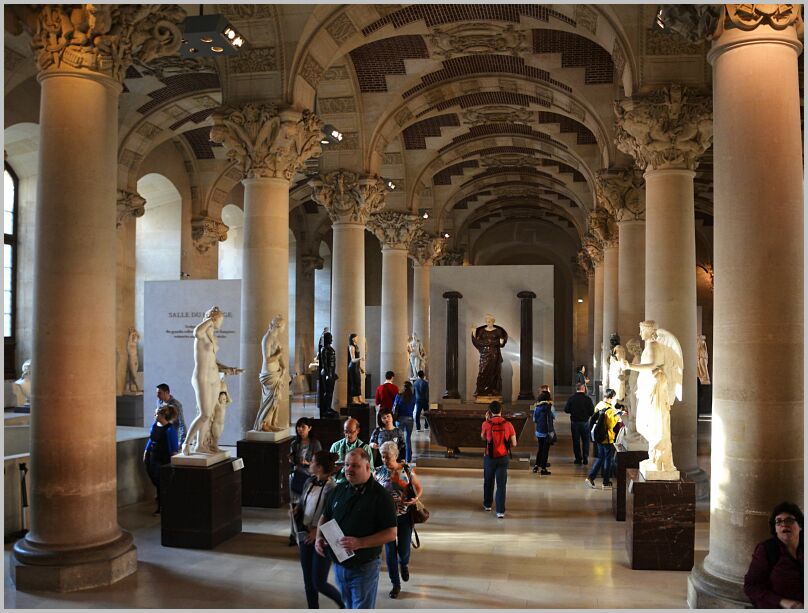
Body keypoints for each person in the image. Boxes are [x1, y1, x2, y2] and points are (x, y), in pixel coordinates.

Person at [315, 449, 397, 609]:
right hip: (340, 565)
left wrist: (360, 542)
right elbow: (325, 516)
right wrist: (319, 537)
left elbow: (391, 533)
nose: (348, 469)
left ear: (367, 467)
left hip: (364, 566)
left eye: (355, 466)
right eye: (346, 465)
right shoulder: (339, 489)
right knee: (347, 605)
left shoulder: (380, 496)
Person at [623, 320, 683, 476]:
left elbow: (652, 365)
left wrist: (630, 366)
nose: (640, 333)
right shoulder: (650, 346)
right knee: (644, 424)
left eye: (642, 330)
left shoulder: (654, 346)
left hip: (654, 390)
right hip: (648, 388)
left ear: (650, 331)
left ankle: (659, 459)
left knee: (652, 423)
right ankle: (654, 457)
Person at [184, 306, 243, 455]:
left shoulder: (213, 336)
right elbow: (195, 332)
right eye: (220, 320)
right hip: (201, 376)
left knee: (209, 414)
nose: (221, 324)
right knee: (204, 413)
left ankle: (200, 445)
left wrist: (229, 369)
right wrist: (209, 319)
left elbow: (213, 361)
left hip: (214, 377)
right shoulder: (202, 333)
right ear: (214, 318)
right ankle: (186, 443)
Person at [294, 450, 343, 609]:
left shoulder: (332, 488)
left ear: (320, 467)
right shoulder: (309, 481)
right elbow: (303, 501)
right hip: (305, 535)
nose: (310, 463)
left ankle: (345, 604)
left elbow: (333, 515)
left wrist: (318, 531)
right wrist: (297, 510)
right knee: (308, 582)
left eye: (313, 461)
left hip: (323, 538)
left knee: (319, 582)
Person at [374, 441, 423, 599]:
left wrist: (416, 499)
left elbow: (418, 487)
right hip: (386, 520)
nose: (384, 459)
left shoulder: (406, 470)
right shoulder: (378, 472)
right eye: (382, 456)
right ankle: (395, 584)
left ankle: (404, 563)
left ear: (395, 456)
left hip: (404, 517)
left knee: (403, 552)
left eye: (387, 457)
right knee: (389, 554)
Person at [744, 501, 804, 609]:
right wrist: (783, 602)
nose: (784, 524)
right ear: (775, 529)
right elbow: (751, 586)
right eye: (778, 522)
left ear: (800, 526)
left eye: (789, 520)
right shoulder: (767, 550)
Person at [288, 417, 323, 545]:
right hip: (297, 476)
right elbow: (291, 460)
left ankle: (306, 533)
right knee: (295, 506)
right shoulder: (294, 443)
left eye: (303, 427)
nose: (300, 430)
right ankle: (293, 534)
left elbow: (319, 461)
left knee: (308, 507)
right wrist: (292, 460)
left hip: (309, 477)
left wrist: (308, 463)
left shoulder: (315, 443)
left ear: (309, 428)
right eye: (298, 427)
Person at [481, 401, 517, 518]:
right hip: (503, 457)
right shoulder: (508, 424)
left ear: (489, 411)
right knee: (501, 484)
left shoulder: (486, 424)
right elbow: (514, 443)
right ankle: (500, 511)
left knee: (488, 481)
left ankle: (487, 505)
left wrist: (486, 421)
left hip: (489, 457)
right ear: (501, 410)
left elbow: (483, 437)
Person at [143, 404, 179, 515]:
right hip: (153, 457)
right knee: (155, 480)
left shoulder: (170, 430)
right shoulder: (155, 425)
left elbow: (174, 448)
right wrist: (146, 452)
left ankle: (162, 507)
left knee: (161, 483)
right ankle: (161, 502)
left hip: (164, 459)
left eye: (157, 413)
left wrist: (173, 461)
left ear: (163, 415)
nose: (155, 414)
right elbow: (151, 439)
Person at [585, 389, 625, 489]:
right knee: (608, 460)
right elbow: (611, 424)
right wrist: (619, 415)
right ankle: (605, 482)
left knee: (600, 457)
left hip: (598, 436)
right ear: (610, 398)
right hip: (607, 437)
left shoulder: (599, 405)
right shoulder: (609, 409)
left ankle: (591, 477)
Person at [254, 314, 288, 432]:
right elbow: (267, 359)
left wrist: (283, 367)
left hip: (276, 373)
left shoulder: (275, 339)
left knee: (276, 400)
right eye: (283, 326)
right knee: (272, 400)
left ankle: (272, 423)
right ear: (278, 326)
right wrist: (279, 354)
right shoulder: (267, 339)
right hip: (269, 374)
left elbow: (280, 357)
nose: (284, 329)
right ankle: (264, 424)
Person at [470, 314, 509, 397]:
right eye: (487, 321)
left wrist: (501, 342)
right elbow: (477, 342)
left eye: (490, 321)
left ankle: (493, 390)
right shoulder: (482, 331)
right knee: (482, 371)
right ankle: (481, 390)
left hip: (494, 354)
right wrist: (473, 332)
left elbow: (501, 343)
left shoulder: (498, 331)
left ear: (493, 322)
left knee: (494, 372)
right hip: (484, 354)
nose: (488, 323)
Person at [329, 418, 373, 482]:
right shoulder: (336, 446)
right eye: (346, 432)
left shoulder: (365, 448)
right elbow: (328, 470)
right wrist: (333, 469)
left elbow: (371, 470)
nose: (348, 435)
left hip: (358, 484)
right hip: (339, 483)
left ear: (358, 431)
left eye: (351, 432)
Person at [563, 383, 595, 465]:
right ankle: (585, 457)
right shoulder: (587, 399)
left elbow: (566, 410)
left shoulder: (572, 398)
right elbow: (592, 412)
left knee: (576, 441)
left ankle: (578, 458)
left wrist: (573, 411)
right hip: (585, 422)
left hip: (575, 422)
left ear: (576, 389)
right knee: (586, 440)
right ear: (583, 389)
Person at [392, 380, 416, 463]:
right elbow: (413, 408)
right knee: (407, 438)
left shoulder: (399, 395)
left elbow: (394, 407)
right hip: (409, 418)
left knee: (399, 439)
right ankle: (408, 458)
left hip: (400, 419)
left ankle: (399, 456)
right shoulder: (413, 397)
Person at [532, 389, 555, 475]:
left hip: (539, 431)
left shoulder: (537, 407)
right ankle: (543, 468)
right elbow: (554, 416)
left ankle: (536, 466)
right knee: (545, 450)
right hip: (547, 432)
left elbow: (534, 419)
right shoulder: (550, 407)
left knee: (540, 449)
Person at [317, 331, 339, 419]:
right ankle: (326, 409)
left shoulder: (330, 348)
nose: (331, 339)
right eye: (329, 337)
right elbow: (324, 362)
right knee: (327, 392)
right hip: (326, 372)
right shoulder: (324, 349)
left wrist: (333, 373)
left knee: (331, 392)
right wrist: (327, 374)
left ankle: (329, 407)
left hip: (331, 372)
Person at [347, 333, 365, 404]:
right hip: (352, 367)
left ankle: (359, 398)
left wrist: (360, 368)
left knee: (358, 383)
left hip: (356, 367)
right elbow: (353, 360)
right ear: (353, 338)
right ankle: (354, 399)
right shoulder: (351, 347)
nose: (357, 339)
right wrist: (360, 358)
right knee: (354, 383)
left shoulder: (356, 346)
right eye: (356, 338)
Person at [125, 327, 141, 393]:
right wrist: (132, 333)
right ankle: (138, 387)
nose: (136, 338)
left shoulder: (135, 344)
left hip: (135, 358)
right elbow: (128, 346)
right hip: (131, 358)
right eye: (135, 337)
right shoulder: (130, 344)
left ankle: (128, 388)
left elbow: (139, 336)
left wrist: (135, 331)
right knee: (134, 375)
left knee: (131, 375)